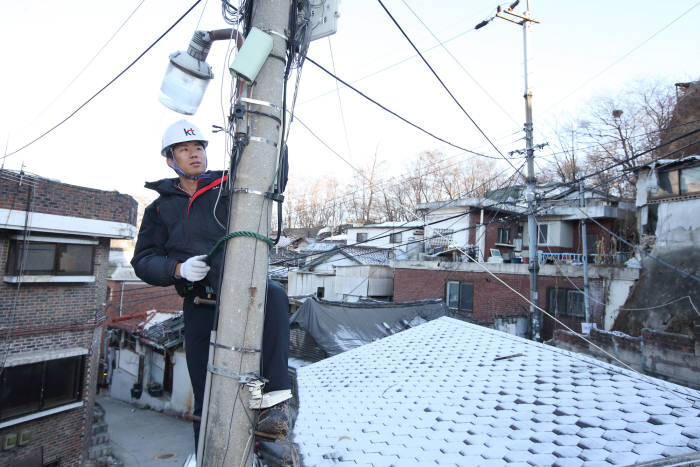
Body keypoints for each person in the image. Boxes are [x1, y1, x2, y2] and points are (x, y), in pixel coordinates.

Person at [131, 120, 291, 451]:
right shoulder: (160, 208)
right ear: (170, 159)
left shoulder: (227, 188)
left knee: (274, 295)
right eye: (185, 149)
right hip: (199, 303)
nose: (195, 155)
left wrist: (277, 142)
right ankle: (206, 453)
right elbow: (143, 260)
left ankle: (274, 402)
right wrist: (177, 269)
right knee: (207, 392)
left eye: (199, 148)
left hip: (238, 290)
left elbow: (271, 182)